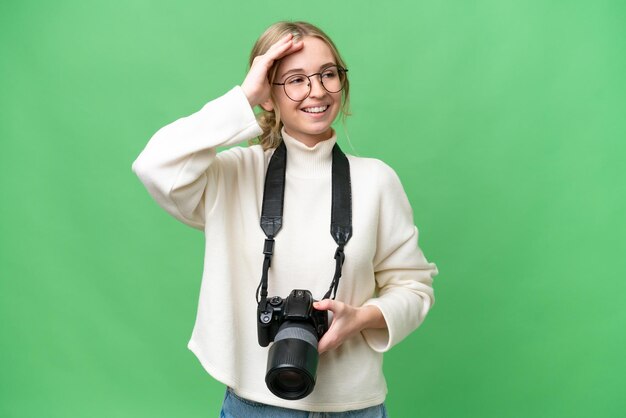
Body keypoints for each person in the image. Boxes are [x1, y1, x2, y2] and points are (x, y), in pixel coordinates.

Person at [132, 21, 438, 417]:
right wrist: (243, 97)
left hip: (355, 406)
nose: (317, 90)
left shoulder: (376, 180)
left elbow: (414, 287)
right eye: (295, 80)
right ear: (269, 96)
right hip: (255, 405)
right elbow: (154, 164)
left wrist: (361, 318)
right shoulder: (234, 174)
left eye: (328, 74)